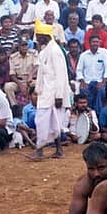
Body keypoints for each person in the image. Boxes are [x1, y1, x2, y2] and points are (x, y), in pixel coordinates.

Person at [28, 19, 71, 160]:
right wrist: (38, 89)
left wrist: (59, 96)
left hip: (54, 93)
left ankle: (39, 151)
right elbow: (42, 73)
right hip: (45, 92)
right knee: (52, 123)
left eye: (39, 36)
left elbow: (60, 75)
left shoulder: (55, 51)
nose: (37, 39)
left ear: (45, 36)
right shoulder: (45, 51)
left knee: (43, 121)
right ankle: (58, 150)